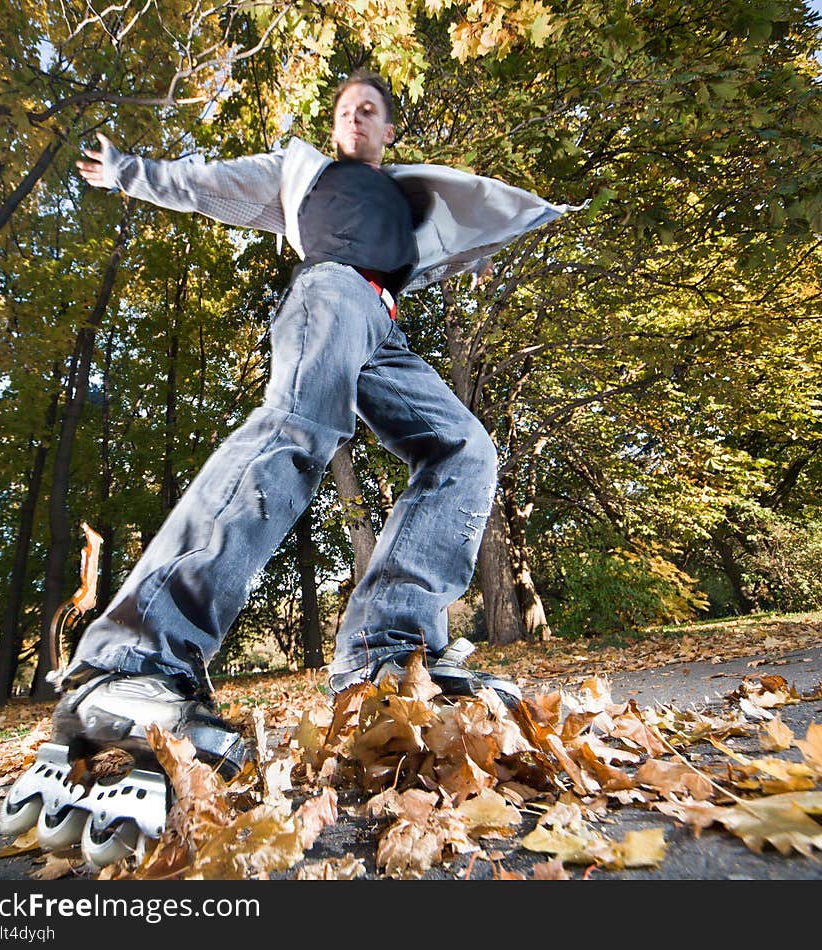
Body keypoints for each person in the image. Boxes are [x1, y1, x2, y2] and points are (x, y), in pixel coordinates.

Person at [53, 71, 581, 775]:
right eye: (344, 112)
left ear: (389, 130)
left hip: (384, 331)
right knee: (301, 425)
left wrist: (481, 252)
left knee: (466, 451)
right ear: (334, 128)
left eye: (369, 112)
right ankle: (130, 661)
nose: (355, 120)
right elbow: (208, 184)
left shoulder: (407, 195)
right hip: (328, 294)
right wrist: (130, 172)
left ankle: (387, 657)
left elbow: (452, 236)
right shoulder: (303, 173)